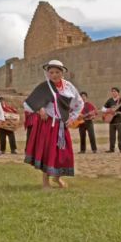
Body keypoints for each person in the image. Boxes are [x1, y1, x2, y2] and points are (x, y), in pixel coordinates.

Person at [24, 60, 83, 189]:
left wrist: (72, 117)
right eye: (51, 72)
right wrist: (40, 109)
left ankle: (57, 178)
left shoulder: (69, 87)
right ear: (47, 73)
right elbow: (27, 104)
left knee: (62, 153)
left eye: (57, 72)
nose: (54, 75)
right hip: (47, 124)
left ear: (62, 73)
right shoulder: (45, 87)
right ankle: (45, 182)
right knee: (47, 151)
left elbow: (79, 103)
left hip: (61, 125)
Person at [102, 87, 121, 153]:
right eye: (112, 91)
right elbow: (103, 109)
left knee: (120, 135)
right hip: (111, 120)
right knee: (112, 136)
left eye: (115, 91)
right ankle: (111, 149)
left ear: (118, 92)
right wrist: (109, 110)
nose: (113, 92)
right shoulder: (109, 100)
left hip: (119, 120)